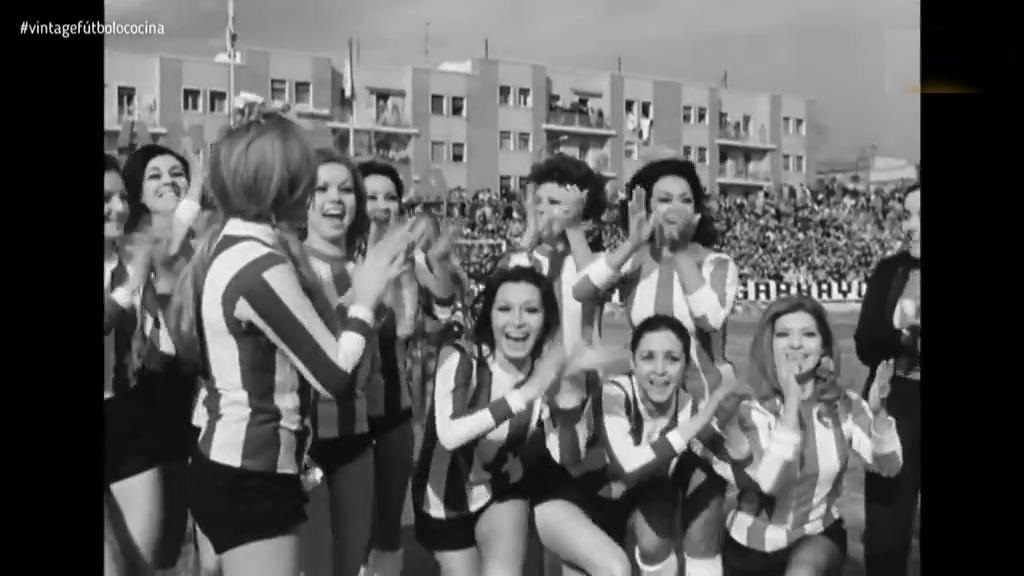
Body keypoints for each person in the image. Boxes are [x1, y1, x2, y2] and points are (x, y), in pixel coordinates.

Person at [168, 111, 412, 576]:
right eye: (308, 180)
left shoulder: (234, 244)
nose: (316, 194)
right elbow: (334, 374)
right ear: (282, 184)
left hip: (235, 463)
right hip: (252, 473)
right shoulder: (260, 263)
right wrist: (365, 299)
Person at [574, 158, 739, 576]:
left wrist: (679, 253)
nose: (674, 208)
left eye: (685, 199)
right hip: (649, 417)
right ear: (646, 207)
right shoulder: (634, 262)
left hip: (706, 416)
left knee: (701, 538)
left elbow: (710, 318)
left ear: (697, 212)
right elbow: (583, 290)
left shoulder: (717, 264)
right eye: (664, 199)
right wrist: (631, 243)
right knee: (652, 540)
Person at [703, 295, 902, 576]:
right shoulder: (750, 410)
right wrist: (792, 404)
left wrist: (880, 416)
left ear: (823, 347)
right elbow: (770, 483)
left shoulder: (845, 406)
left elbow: (890, 466)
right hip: (749, 543)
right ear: (769, 345)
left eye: (808, 335)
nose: (796, 344)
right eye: (783, 335)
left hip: (816, 535)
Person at [530, 314, 741, 576]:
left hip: (630, 503)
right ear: (633, 362)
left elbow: (732, 460)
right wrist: (703, 416)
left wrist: (739, 433)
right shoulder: (613, 394)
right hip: (573, 501)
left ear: (686, 366)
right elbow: (627, 466)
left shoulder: (686, 406)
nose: (660, 370)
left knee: (697, 485)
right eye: (648, 357)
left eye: (672, 359)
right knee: (613, 568)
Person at [411, 265, 579, 576]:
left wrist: (570, 408)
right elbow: (449, 434)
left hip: (499, 488)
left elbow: (564, 454)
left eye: (531, 310)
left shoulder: (543, 370)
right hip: (443, 502)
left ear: (546, 320)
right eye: (505, 309)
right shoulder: (460, 356)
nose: (517, 321)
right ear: (489, 315)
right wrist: (525, 394)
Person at [301, 148, 375, 576]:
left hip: (356, 438)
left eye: (346, 189)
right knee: (312, 565)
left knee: (351, 562)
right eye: (322, 188)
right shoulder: (287, 265)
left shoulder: (365, 268)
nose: (335, 198)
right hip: (303, 445)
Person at [357, 159, 420, 576]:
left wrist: (402, 269)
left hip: (394, 414)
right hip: (335, 422)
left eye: (390, 197)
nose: (381, 206)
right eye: (370, 197)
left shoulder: (406, 264)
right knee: (338, 521)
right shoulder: (328, 258)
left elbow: (406, 326)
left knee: (388, 523)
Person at [856, 184, 921, 576]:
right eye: (907, 216)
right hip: (893, 405)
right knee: (886, 533)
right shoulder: (889, 270)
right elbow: (866, 342)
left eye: (920, 216)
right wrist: (904, 340)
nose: (911, 225)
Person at [505, 154, 608, 352]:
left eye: (553, 202)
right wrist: (530, 233)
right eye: (537, 201)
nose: (541, 209)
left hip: (580, 369)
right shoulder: (525, 258)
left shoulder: (595, 260)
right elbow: (505, 289)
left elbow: (593, 284)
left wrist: (574, 227)